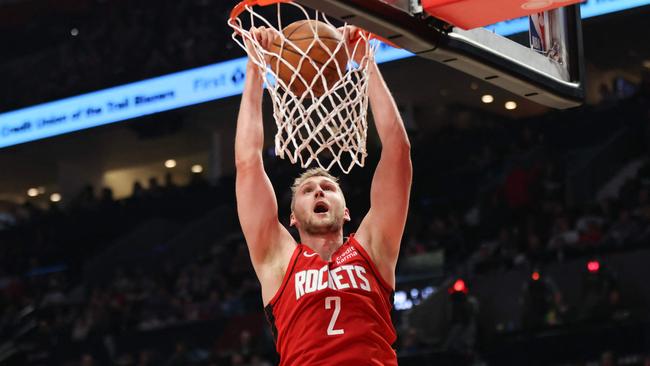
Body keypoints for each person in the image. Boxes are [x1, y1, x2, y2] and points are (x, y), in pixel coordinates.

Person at [234, 26, 412, 365]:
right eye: (307, 190)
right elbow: (247, 162)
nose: (319, 189)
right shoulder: (278, 260)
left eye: (329, 188)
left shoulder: (374, 248)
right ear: (292, 217)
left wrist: (366, 61)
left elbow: (397, 149)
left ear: (346, 212)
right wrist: (255, 67)